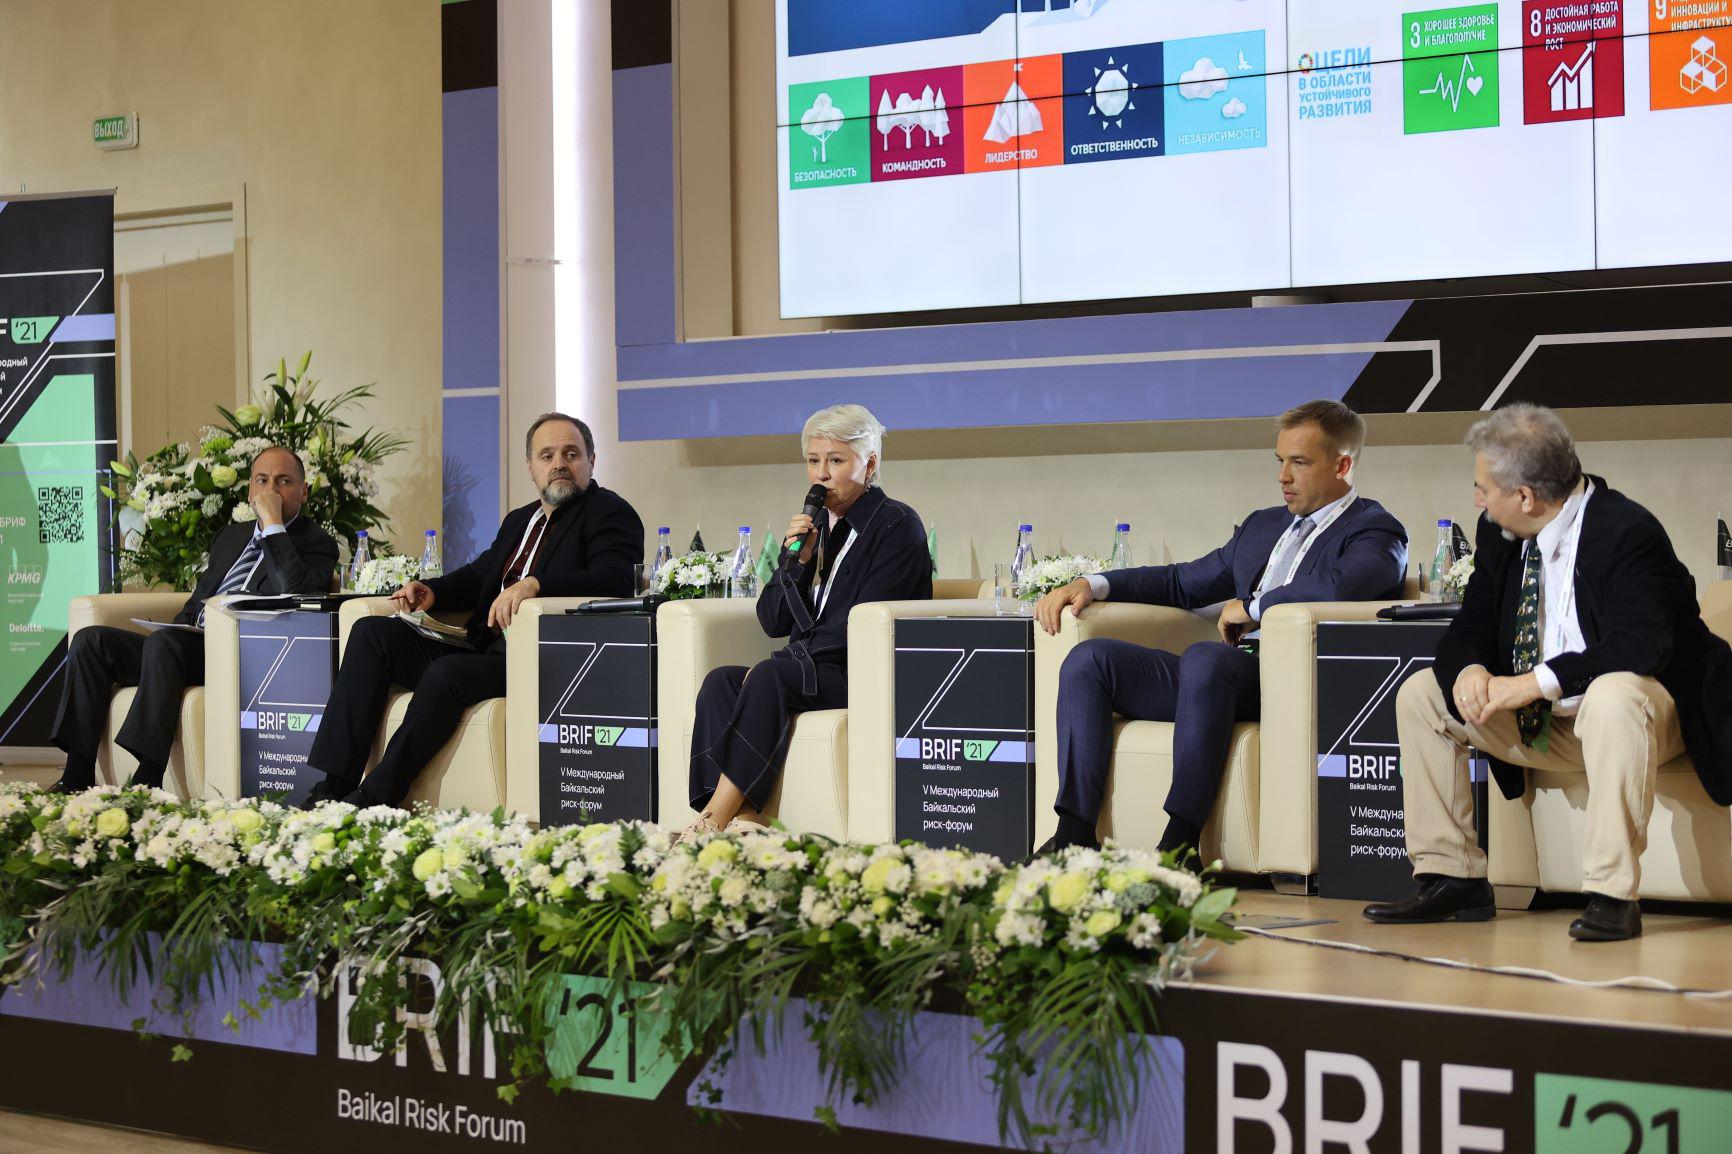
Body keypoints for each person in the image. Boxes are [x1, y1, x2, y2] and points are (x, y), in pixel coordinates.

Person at [1364, 405, 1732, 941]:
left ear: (1525, 496)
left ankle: (1612, 896)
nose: (1477, 500)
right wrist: (1469, 670)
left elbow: (1642, 645)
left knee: (1614, 693)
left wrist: (1532, 683)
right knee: (1424, 694)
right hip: (1549, 723)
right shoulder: (1500, 533)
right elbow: (1472, 623)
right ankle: (1452, 877)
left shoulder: (1626, 530)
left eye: (1483, 488)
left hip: (1649, 720)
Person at [1034, 400, 1408, 856]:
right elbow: (1183, 582)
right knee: (1090, 661)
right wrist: (1094, 584)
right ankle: (1073, 837)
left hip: (1292, 681)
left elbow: (1341, 586)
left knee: (1205, 657)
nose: (1283, 476)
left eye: (1299, 463)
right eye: (1280, 461)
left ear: (1342, 465)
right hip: (1216, 677)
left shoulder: (1376, 530)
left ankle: (1180, 845)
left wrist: (1253, 608)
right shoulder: (1263, 525)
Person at [302, 413, 643, 808]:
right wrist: (432, 591)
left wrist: (536, 584)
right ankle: (333, 787)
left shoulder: (609, 512)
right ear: (530, 466)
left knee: (446, 673)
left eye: (571, 454)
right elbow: (481, 573)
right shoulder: (521, 520)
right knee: (371, 633)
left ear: (591, 461)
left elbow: (616, 579)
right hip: (483, 647)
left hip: (538, 659)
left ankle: (375, 796)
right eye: (547, 455)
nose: (559, 464)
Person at [682, 404, 931, 841]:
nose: (821, 474)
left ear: (870, 463)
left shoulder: (897, 525)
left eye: (836, 461)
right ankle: (745, 817)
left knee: (770, 675)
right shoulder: (815, 529)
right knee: (721, 681)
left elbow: (863, 625)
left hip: (863, 673)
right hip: (810, 669)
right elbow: (772, 619)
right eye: (814, 461)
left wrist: (790, 661)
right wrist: (795, 562)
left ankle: (713, 820)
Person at [49, 446, 339, 792]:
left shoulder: (318, 544)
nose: (271, 490)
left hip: (243, 654)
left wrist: (274, 525)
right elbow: (198, 598)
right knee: (91, 641)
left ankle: (147, 780)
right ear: (250, 489)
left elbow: (292, 593)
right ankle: (76, 775)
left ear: (303, 491)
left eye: (284, 481)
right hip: (188, 645)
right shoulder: (231, 537)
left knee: (165, 645)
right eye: (262, 480)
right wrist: (179, 624)